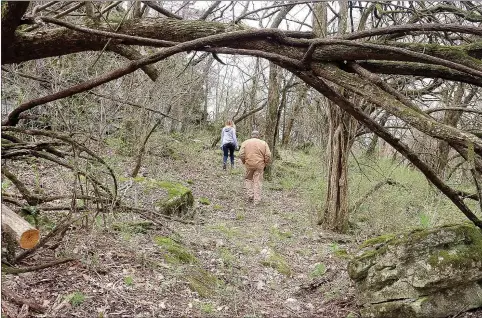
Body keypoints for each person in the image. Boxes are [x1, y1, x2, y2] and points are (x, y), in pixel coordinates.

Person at [239, 130, 272, 205]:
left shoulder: (245, 142)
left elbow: (241, 154)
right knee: (257, 181)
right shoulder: (264, 143)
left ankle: (250, 195)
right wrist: (265, 163)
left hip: (249, 164)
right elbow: (268, 155)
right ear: (258, 136)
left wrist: (244, 161)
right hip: (260, 165)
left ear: (251, 135)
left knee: (248, 179)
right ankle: (256, 200)